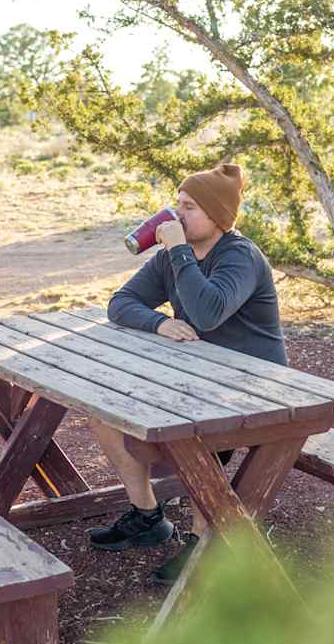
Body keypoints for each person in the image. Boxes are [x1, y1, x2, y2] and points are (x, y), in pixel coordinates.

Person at [87, 163, 287, 585]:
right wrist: (158, 323)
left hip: (258, 389)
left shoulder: (239, 257)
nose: (176, 216)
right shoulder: (171, 258)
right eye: (177, 204)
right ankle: (147, 516)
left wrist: (178, 251)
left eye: (189, 207)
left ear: (218, 216)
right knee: (103, 412)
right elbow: (121, 303)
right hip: (199, 379)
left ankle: (202, 544)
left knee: (194, 436)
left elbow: (208, 314)